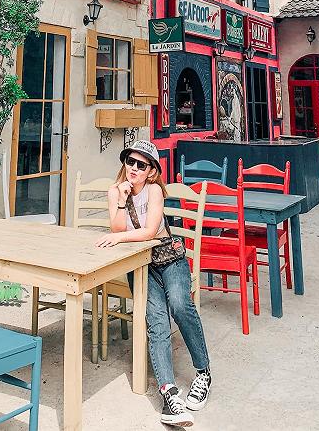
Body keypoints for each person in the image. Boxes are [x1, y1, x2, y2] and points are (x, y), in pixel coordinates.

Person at [96, 140, 211, 427]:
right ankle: (169, 394)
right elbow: (117, 227)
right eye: (130, 161)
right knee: (157, 320)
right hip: (141, 265)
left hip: (169, 259)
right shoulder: (115, 191)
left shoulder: (155, 190)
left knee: (180, 305)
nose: (134, 168)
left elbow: (148, 232)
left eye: (141, 164)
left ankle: (203, 372)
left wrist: (119, 237)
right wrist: (122, 200)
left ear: (151, 171)